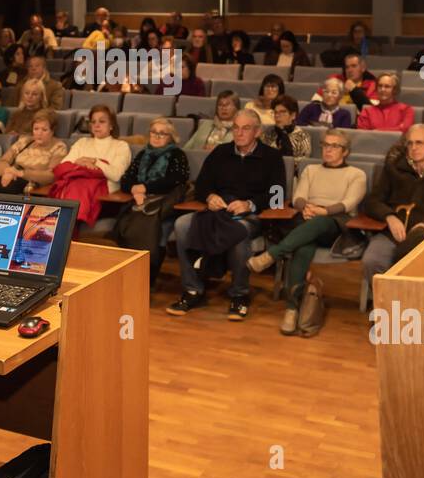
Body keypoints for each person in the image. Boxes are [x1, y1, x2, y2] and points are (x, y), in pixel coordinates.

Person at [246, 129, 367, 335]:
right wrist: (307, 208)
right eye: (325, 145)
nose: (328, 150)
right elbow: (298, 197)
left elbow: (349, 203)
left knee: (319, 223)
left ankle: (272, 255)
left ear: (345, 151)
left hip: (336, 224)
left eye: (334, 146)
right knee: (304, 244)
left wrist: (323, 211)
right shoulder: (311, 169)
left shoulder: (356, 174)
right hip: (307, 217)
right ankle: (292, 310)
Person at [167, 110, 285, 320]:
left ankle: (240, 294)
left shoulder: (272, 157)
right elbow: (201, 185)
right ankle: (193, 289)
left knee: (238, 234)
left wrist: (250, 204)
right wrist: (210, 196)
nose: (239, 133)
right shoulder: (220, 152)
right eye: (235, 128)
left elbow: (277, 197)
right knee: (182, 224)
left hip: (250, 216)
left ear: (257, 132)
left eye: (245, 128)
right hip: (217, 212)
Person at [359, 124, 424, 297]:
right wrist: (390, 217)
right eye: (410, 143)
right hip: (392, 232)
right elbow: (373, 201)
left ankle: (400, 306)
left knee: (419, 264)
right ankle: (388, 303)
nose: (413, 148)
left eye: (419, 143)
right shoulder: (393, 167)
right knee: (372, 261)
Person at [112, 118, 190, 285]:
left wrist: (145, 188)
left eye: (162, 133)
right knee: (126, 222)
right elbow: (126, 179)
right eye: (154, 132)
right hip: (139, 201)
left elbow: (176, 180)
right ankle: (129, 276)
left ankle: (146, 280)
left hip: (163, 204)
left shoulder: (177, 155)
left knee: (152, 228)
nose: (157, 136)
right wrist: (135, 189)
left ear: (171, 137)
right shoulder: (143, 154)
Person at [53, 105, 132, 226]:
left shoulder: (121, 146)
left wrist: (95, 161)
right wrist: (79, 163)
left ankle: (69, 224)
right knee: (71, 187)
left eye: (102, 121)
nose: (96, 125)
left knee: (78, 190)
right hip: (76, 190)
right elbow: (63, 166)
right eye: (93, 121)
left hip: (105, 198)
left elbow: (117, 175)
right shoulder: (82, 143)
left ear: (111, 125)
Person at [0, 109, 67, 195]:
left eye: (44, 130)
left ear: (52, 131)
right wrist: (7, 171)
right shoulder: (24, 141)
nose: (39, 133)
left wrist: (21, 174)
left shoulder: (59, 147)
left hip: (32, 182)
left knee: (6, 187)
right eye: (36, 129)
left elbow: (51, 176)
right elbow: (2, 161)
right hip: (11, 176)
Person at [261, 95, 311, 163]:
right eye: (275, 112)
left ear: (293, 115)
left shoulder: (302, 136)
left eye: (282, 112)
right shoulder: (268, 133)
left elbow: (302, 163)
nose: (277, 116)